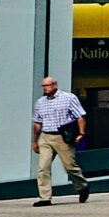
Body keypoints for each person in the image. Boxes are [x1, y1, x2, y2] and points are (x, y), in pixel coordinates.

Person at [30, 75, 89, 207]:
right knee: (43, 167)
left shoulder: (68, 98)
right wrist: (34, 141)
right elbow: (37, 123)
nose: (44, 88)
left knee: (70, 166)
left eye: (47, 85)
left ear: (54, 85)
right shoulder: (40, 102)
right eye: (43, 86)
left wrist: (81, 133)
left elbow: (80, 116)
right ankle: (45, 197)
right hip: (45, 136)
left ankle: (82, 186)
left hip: (63, 137)